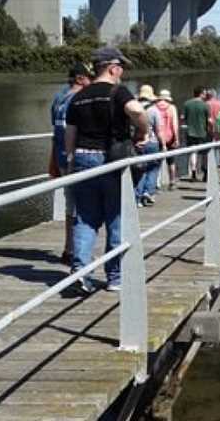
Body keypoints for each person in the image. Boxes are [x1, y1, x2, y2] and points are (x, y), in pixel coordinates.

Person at [64, 47, 149, 294]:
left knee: (86, 219)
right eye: (121, 68)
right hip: (111, 160)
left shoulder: (78, 97)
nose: (122, 73)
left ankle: (81, 274)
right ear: (113, 68)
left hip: (82, 159)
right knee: (116, 217)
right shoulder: (117, 91)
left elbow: (70, 134)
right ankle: (115, 277)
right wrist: (143, 132)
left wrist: (71, 162)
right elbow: (136, 110)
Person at [49, 62, 93, 265]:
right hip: (74, 158)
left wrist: (53, 159)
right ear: (79, 79)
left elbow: (55, 132)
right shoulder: (78, 99)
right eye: (89, 77)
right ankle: (76, 252)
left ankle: (70, 248)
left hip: (61, 157)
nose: (92, 81)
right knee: (81, 206)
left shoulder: (58, 98)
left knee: (71, 205)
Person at [132, 85, 163, 207]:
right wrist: (164, 144)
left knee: (140, 170)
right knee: (153, 168)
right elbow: (158, 129)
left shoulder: (134, 109)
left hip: (138, 142)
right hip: (152, 142)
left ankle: (138, 196)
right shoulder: (154, 110)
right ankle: (148, 192)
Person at [182, 86, 211, 181]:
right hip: (202, 132)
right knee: (204, 154)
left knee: (192, 153)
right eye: (204, 93)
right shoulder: (205, 105)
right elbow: (209, 120)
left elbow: (182, 117)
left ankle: (193, 173)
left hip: (190, 132)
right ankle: (205, 173)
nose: (205, 95)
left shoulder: (187, 104)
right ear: (201, 93)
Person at [153, 89, 179, 188]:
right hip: (170, 136)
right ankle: (172, 181)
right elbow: (174, 125)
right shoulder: (172, 108)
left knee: (157, 161)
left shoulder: (155, 107)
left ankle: (156, 183)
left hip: (158, 136)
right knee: (171, 161)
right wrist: (176, 139)